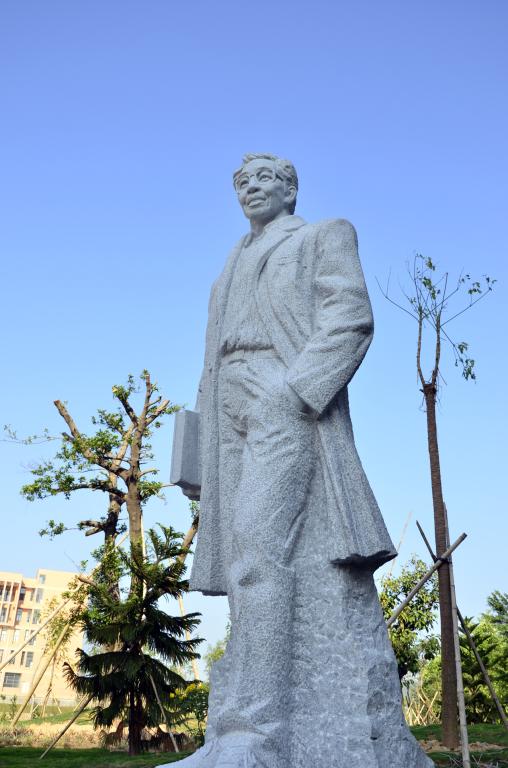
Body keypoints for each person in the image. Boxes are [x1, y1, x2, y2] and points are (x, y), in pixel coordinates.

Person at [165, 154, 432, 768]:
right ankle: (234, 733)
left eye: (265, 179)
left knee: (259, 553)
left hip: (282, 395)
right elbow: (210, 359)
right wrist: (200, 449)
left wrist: (295, 392)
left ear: (290, 190)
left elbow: (350, 317)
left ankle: (254, 736)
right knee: (241, 562)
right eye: (241, 182)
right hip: (227, 406)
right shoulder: (228, 266)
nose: (251, 188)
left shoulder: (321, 236)